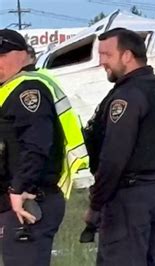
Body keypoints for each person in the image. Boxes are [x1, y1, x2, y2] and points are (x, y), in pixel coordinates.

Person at [82, 27, 155, 266]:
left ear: (127, 56)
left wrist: (96, 205)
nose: (101, 62)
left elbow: (114, 157)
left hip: (131, 199)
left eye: (106, 55)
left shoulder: (128, 96)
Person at [0, 29, 88, 266]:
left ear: (23, 55)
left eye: (2, 55)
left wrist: (18, 188)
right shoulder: (10, 89)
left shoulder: (28, 90)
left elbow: (36, 144)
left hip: (29, 199)